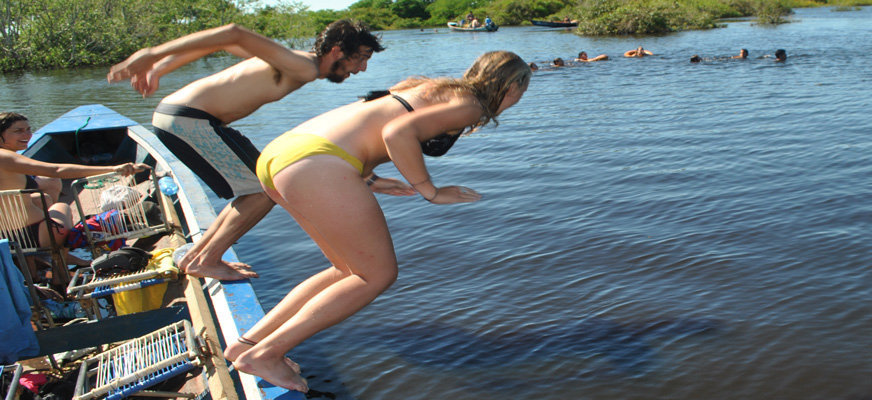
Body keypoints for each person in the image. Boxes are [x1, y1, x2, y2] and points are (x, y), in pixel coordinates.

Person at [222, 50, 532, 393]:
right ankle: (268, 354)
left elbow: (369, 121)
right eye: (522, 89)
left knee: (345, 270)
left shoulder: (429, 87)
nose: (519, 98)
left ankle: (248, 345)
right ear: (511, 85)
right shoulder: (472, 104)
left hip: (286, 153)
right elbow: (398, 132)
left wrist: (371, 179)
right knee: (377, 275)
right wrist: (430, 190)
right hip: (317, 162)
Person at [107, 20, 384, 281]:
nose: (361, 69)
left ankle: (198, 256)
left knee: (263, 185)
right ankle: (207, 260)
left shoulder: (290, 59)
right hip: (189, 120)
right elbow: (233, 32)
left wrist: (162, 67)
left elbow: (221, 44)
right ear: (336, 51)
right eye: (360, 57)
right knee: (261, 193)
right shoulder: (304, 66)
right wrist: (152, 55)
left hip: (189, 119)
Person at [0, 112, 149, 270]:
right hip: (34, 236)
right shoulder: (7, 158)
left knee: (42, 198)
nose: (27, 135)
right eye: (18, 131)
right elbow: (57, 170)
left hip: (5, 239)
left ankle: (35, 263)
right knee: (61, 207)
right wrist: (114, 169)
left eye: (29, 129)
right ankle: (60, 261)